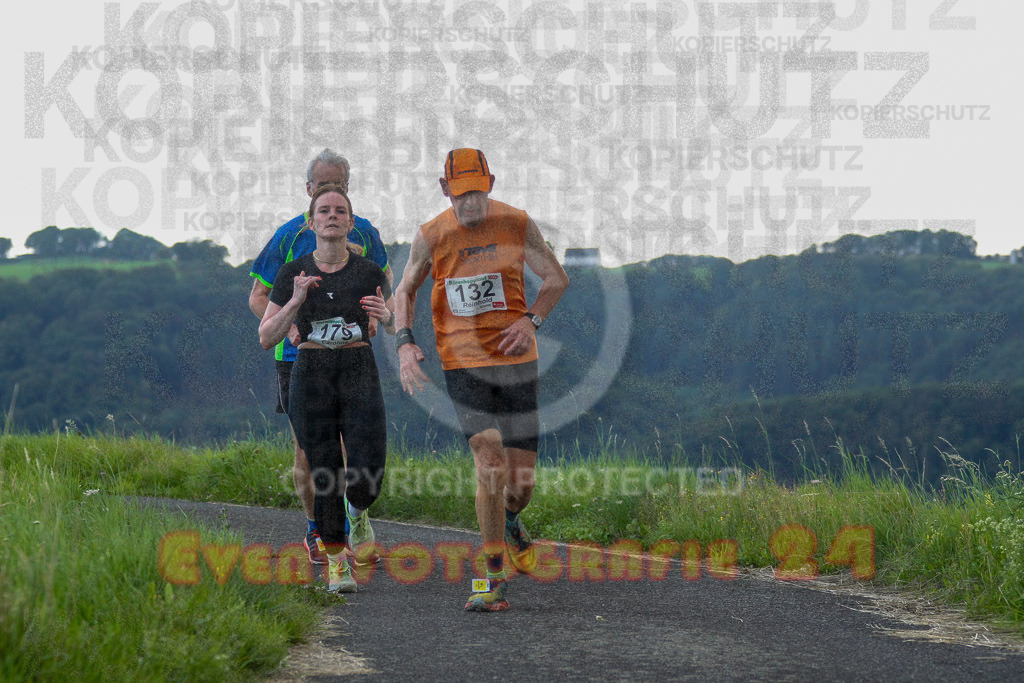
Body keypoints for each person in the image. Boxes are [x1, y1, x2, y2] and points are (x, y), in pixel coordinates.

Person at [394, 148, 569, 612]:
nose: (469, 202)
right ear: (444, 188)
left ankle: (510, 520)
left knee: (520, 486)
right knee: (489, 464)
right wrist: (405, 343)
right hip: (462, 362)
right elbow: (404, 290)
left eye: (476, 191)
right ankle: (494, 578)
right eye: (460, 193)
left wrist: (531, 320)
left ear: (490, 184)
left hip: (516, 361)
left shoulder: (516, 223)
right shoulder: (431, 235)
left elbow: (556, 278)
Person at [249, 149, 392, 566]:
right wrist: (290, 323)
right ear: (308, 189)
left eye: (339, 186)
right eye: (323, 186)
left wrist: (377, 319)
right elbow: (258, 297)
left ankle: (350, 522)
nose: (331, 194)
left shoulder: (365, 232)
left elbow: (385, 288)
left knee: (352, 444)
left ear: (349, 189)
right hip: (298, 355)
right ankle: (318, 531)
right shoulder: (288, 235)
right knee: (308, 448)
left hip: (351, 355)